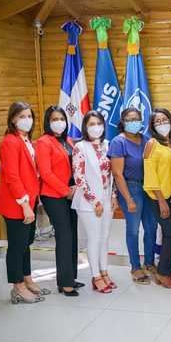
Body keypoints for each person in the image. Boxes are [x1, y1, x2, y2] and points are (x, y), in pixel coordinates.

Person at [0, 101, 49, 304]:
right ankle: (17, 286)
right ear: (12, 119)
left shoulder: (26, 140)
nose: (27, 120)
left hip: (29, 200)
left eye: (29, 116)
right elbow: (12, 176)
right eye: (21, 117)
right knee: (17, 246)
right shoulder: (10, 141)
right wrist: (25, 204)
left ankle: (27, 278)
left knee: (26, 243)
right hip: (16, 204)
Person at [36, 105, 83, 297]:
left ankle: (70, 276)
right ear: (48, 122)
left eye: (62, 119)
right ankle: (65, 283)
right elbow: (46, 173)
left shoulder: (68, 140)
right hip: (54, 195)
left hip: (71, 194)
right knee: (63, 236)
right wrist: (66, 191)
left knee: (72, 235)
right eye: (54, 119)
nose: (59, 123)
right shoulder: (43, 142)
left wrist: (76, 188)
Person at [108, 107, 158, 285]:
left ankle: (149, 263)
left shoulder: (147, 140)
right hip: (131, 188)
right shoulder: (118, 142)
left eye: (136, 119)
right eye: (129, 119)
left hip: (148, 188)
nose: (133, 122)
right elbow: (117, 173)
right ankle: (135, 267)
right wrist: (128, 198)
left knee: (151, 228)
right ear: (123, 122)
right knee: (133, 229)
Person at [72, 111, 117, 294]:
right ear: (85, 126)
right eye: (91, 123)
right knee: (94, 238)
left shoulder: (107, 145)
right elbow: (79, 178)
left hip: (107, 198)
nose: (96, 127)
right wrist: (94, 201)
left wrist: (113, 196)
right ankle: (95, 276)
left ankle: (104, 271)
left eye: (99, 123)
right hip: (88, 202)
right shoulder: (80, 147)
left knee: (105, 237)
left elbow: (112, 174)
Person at [143, 108, 171, 289]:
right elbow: (150, 174)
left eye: (164, 120)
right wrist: (161, 200)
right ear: (152, 126)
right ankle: (162, 272)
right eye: (157, 122)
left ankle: (170, 269)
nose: (161, 124)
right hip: (158, 197)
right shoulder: (151, 144)